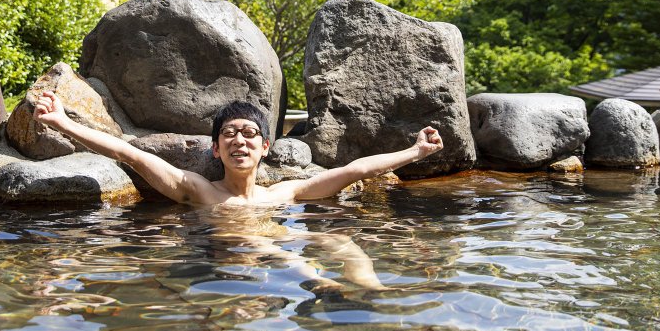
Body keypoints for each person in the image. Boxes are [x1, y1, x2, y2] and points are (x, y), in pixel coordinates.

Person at [33, 93, 443, 208]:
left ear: (266, 147)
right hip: (212, 264)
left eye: (249, 133)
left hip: (276, 268)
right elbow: (132, 155)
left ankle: (363, 295)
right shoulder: (198, 190)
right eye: (228, 134)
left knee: (340, 247)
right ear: (215, 148)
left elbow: (354, 170)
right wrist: (65, 123)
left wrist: (415, 152)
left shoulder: (287, 194)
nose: (238, 140)